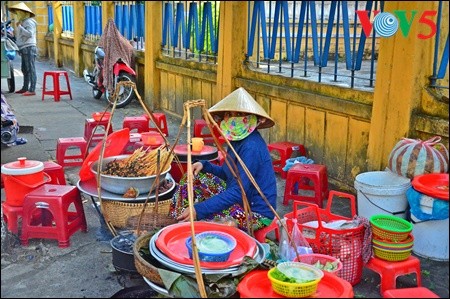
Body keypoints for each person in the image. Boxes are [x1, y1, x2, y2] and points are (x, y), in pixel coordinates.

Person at [171, 87, 277, 232]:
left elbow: (238, 192)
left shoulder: (251, 147)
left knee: (205, 219)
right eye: (228, 114)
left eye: (239, 114)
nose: (232, 118)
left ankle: (183, 223)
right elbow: (228, 174)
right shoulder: (236, 140)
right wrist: (204, 165)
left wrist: (199, 209)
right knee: (193, 178)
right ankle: (176, 218)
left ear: (251, 118)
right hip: (239, 199)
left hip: (255, 212)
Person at [8, 2, 37, 96]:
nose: (17, 14)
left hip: (29, 47)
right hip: (24, 48)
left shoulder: (29, 22)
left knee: (30, 68)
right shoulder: (23, 22)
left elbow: (29, 34)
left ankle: (32, 89)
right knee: (24, 69)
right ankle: (25, 88)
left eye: (18, 12)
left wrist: (20, 27)